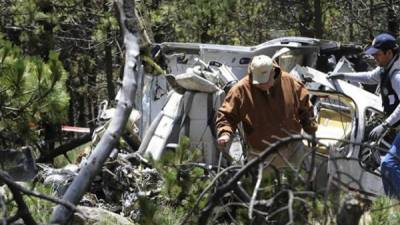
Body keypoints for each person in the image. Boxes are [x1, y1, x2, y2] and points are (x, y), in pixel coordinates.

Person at [328, 32, 400, 198]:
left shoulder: (396, 75)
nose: (375, 57)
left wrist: (386, 124)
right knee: (385, 166)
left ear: (389, 53)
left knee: (388, 164)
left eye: (377, 54)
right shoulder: (385, 69)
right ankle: (393, 204)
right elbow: (369, 77)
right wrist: (343, 75)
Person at [215, 54, 318, 170]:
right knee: (266, 187)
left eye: (264, 81)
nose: (261, 85)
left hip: (293, 149)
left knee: (298, 185)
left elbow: (306, 108)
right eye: (258, 82)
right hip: (262, 154)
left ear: (273, 72)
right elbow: (227, 115)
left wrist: (311, 128)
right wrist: (225, 133)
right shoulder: (241, 90)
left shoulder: (291, 83)